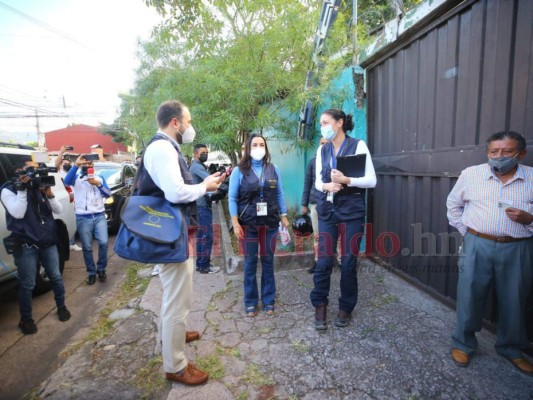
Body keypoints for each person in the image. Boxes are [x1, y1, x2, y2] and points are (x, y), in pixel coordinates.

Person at [139, 100, 223, 385]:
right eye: (187, 121)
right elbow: (175, 193)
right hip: (169, 236)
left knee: (173, 295)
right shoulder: (163, 148)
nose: (189, 127)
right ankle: (175, 365)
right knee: (178, 301)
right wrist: (205, 186)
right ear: (175, 122)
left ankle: (173, 332)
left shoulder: (162, 147)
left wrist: (204, 182)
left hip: (170, 231)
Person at [446, 131, 533, 376]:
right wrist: (469, 232)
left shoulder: (532, 178)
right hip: (478, 244)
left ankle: (511, 348)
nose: (499, 157)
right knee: (469, 294)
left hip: (519, 247)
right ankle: (463, 343)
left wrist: (530, 220)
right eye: (494, 152)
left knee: (515, 298)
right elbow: (453, 205)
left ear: (521, 153)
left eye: (507, 152)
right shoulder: (471, 175)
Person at [311, 108, 377, 330]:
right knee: (324, 261)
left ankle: (346, 307)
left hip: (351, 213)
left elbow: (371, 180)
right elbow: (317, 183)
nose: (323, 127)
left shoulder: (358, 145)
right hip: (328, 211)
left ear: (339, 123)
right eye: (321, 123)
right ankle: (320, 304)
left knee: (348, 261)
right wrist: (326, 185)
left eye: (326, 122)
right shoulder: (323, 150)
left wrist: (347, 179)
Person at [1, 160, 71, 334]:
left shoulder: (41, 186)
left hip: (48, 241)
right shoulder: (8, 190)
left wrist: (49, 194)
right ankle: (26, 319)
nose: (35, 173)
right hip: (25, 244)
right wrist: (23, 190)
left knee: (55, 276)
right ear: (18, 171)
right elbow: (18, 212)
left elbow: (59, 210)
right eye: (30, 169)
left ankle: (61, 307)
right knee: (28, 283)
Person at [229, 134, 289, 317]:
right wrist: (235, 222)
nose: (258, 147)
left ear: (266, 148)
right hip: (248, 224)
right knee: (250, 263)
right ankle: (250, 301)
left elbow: (279, 193)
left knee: (268, 261)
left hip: (269, 223)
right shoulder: (238, 171)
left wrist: (284, 215)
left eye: (261, 144)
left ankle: (269, 299)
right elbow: (232, 197)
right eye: (254, 144)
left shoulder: (273, 169)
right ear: (248, 148)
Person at [64, 155, 111, 285]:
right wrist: (76, 165)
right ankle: (91, 272)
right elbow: (66, 182)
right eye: (85, 164)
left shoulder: (99, 178)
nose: (88, 166)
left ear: (93, 166)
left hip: (99, 215)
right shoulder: (76, 178)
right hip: (83, 217)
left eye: (90, 164)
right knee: (87, 247)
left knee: (103, 243)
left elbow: (108, 193)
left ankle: (101, 269)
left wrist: (99, 185)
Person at [189, 144, 221, 274]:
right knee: (206, 236)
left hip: (200, 205)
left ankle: (201, 264)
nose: (205, 154)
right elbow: (211, 180)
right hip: (201, 206)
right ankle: (204, 266)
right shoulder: (196, 167)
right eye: (203, 152)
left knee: (203, 235)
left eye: (207, 152)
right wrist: (221, 182)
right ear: (195, 153)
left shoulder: (197, 166)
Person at [301, 137, 328, 274]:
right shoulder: (312, 163)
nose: (324, 146)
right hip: (315, 204)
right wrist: (304, 204)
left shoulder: (335, 161)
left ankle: (340, 262)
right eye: (322, 143)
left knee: (338, 236)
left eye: (327, 143)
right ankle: (317, 262)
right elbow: (307, 184)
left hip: (332, 204)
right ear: (319, 145)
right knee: (317, 235)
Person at [55, 145, 82, 252]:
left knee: (72, 221)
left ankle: (72, 242)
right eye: (64, 163)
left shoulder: (72, 172)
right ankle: (70, 242)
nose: (66, 165)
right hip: (64, 200)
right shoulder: (59, 172)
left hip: (73, 201)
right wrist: (61, 152)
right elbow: (56, 165)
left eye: (68, 163)